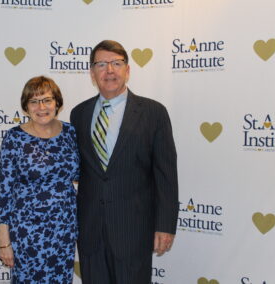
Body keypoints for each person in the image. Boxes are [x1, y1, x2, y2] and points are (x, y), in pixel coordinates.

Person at [70, 40, 179, 284]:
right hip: (91, 231)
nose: (109, 70)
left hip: (134, 230)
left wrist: (165, 225)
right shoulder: (79, 114)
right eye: (101, 64)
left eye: (116, 63)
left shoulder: (154, 113)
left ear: (127, 71)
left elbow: (166, 174)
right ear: (92, 73)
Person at [0, 76, 79, 284]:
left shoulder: (71, 132)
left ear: (57, 103)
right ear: (26, 107)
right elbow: (5, 191)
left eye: (47, 100)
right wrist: (4, 242)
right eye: (34, 101)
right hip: (28, 232)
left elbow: (82, 174)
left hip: (64, 228)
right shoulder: (14, 138)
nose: (41, 107)